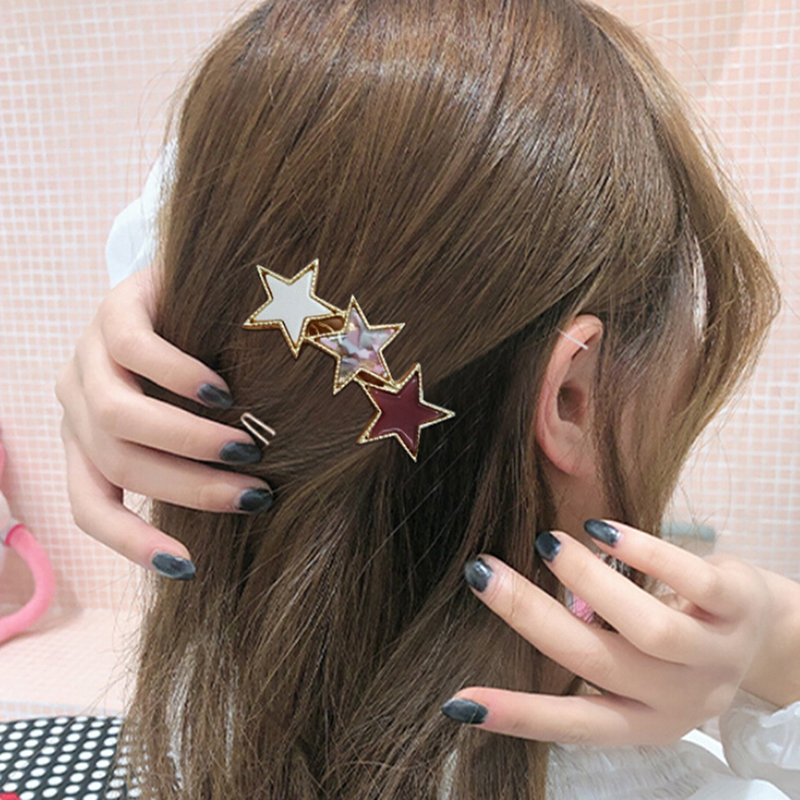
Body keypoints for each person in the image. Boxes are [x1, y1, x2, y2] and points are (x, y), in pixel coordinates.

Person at [52, 0, 800, 798]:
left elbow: (266, 214)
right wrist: (776, 639)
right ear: (572, 397)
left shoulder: (199, 730)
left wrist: (189, 304)